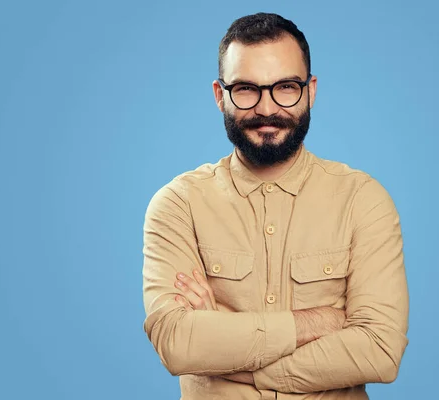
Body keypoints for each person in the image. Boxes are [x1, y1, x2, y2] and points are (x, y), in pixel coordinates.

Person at [142, 12, 409, 400]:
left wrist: (233, 353)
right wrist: (317, 323)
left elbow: (380, 351)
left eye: (285, 87)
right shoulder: (178, 205)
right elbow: (176, 343)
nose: (267, 109)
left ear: (310, 90)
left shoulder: (363, 200)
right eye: (247, 89)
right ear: (220, 96)